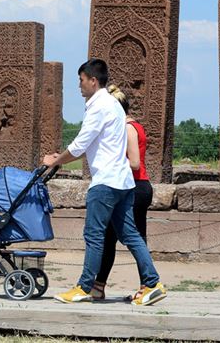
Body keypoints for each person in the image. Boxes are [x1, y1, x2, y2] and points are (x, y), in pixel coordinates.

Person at [43, 58, 166, 306]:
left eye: (81, 80)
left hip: (106, 182)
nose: (79, 86)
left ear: (93, 80)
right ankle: (153, 283)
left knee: (94, 235)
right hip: (123, 182)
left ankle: (84, 287)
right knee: (130, 234)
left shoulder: (98, 106)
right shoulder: (114, 105)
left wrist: (55, 161)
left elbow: (80, 145)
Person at [89, 85, 153, 302]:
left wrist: (109, 162)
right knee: (110, 238)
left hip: (133, 186)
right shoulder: (132, 125)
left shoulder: (126, 128)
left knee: (134, 239)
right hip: (131, 186)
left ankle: (148, 286)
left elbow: (134, 163)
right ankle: (99, 286)